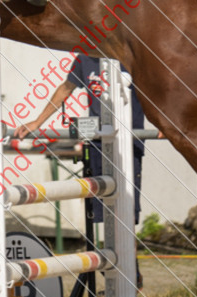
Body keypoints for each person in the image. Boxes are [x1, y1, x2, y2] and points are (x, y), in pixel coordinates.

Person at [14, 55, 146, 227]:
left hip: (129, 140)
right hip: (98, 141)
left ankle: (128, 253)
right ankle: (106, 252)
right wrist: (38, 121)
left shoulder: (128, 54)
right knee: (102, 207)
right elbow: (66, 88)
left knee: (127, 208)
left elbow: (156, 91)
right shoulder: (85, 58)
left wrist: (165, 123)